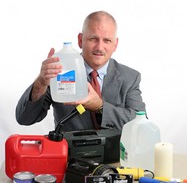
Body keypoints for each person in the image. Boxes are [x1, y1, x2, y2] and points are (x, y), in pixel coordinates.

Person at [16, 10, 146, 132]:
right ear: (80, 40)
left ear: (115, 44)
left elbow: (141, 125)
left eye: (107, 40)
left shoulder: (130, 77)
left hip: (116, 155)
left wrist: (100, 107)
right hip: (70, 155)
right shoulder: (59, 71)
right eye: (93, 39)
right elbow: (24, 118)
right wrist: (41, 82)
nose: (99, 47)